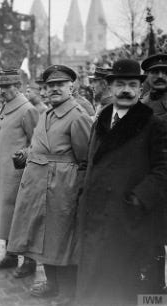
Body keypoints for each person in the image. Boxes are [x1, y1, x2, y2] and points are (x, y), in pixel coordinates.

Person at [76, 59, 167, 306]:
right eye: (120, 84)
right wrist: (83, 190)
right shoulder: (101, 119)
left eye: (132, 85)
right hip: (95, 215)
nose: (126, 90)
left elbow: (163, 170)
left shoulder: (153, 123)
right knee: (96, 282)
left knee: (133, 286)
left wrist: (137, 199)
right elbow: (88, 159)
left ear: (140, 89)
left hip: (130, 220)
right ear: (110, 88)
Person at [7, 65, 92, 306]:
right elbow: (40, 145)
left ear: (71, 88)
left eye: (60, 85)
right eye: (50, 86)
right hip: (38, 185)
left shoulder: (77, 116)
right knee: (43, 239)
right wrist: (25, 154)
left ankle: (67, 291)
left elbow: (86, 161)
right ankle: (52, 284)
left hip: (63, 188)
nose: (54, 89)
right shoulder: (45, 114)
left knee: (62, 240)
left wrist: (78, 193)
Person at [0, 69, 39, 276]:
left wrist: (23, 154)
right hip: (1, 174)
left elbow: (37, 144)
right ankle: (10, 256)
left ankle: (30, 261)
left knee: (22, 219)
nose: (1, 91)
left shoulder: (27, 110)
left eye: (6, 87)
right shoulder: (3, 107)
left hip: (18, 176)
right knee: (6, 216)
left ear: (19, 87)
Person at [142, 53, 167, 292]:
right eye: (155, 72)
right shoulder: (142, 102)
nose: (160, 76)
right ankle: (155, 291)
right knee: (153, 238)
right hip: (150, 181)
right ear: (147, 75)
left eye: (165, 71)